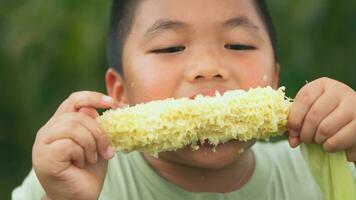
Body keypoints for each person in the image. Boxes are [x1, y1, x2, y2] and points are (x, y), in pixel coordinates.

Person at [12, 0, 356, 199]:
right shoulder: (71, 180)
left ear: (276, 79)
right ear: (119, 93)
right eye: (170, 48)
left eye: (238, 45)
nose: (208, 68)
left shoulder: (318, 169)